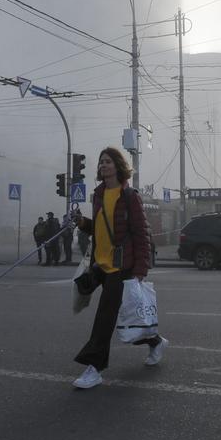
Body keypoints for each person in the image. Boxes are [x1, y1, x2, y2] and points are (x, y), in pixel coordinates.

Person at [71, 146, 169, 389]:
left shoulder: (129, 196)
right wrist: (83, 222)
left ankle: (94, 369)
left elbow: (141, 234)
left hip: (121, 268)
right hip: (100, 265)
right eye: (101, 162)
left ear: (118, 166)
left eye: (108, 162)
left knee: (105, 317)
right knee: (127, 318)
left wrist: (140, 271)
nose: (103, 165)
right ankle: (155, 341)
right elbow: (101, 228)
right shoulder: (98, 194)